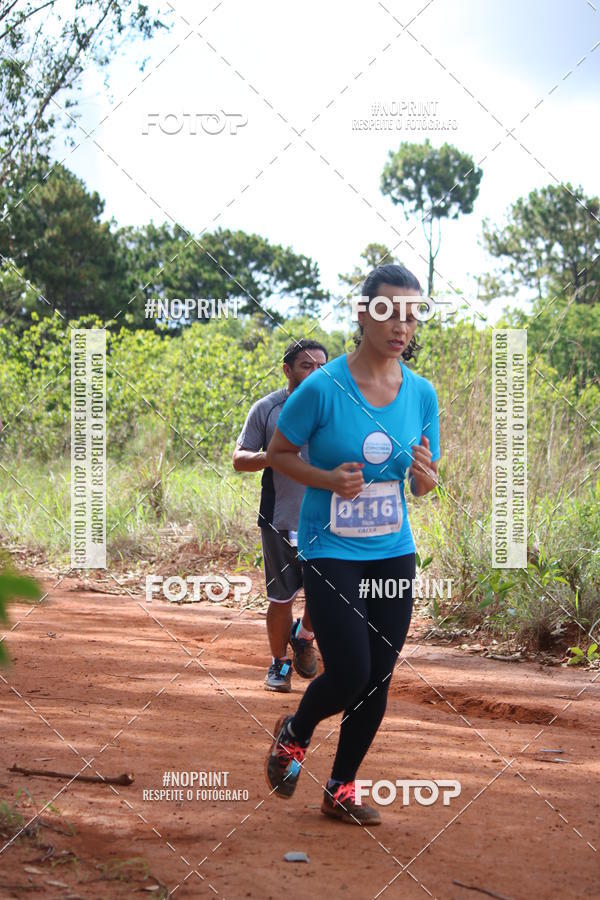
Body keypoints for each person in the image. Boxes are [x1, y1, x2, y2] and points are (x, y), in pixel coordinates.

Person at [264, 265, 441, 825]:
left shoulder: (421, 393)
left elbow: (423, 482)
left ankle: (341, 788)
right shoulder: (322, 386)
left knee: (379, 676)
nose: (401, 324)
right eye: (388, 311)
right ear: (363, 314)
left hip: (393, 549)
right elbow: (279, 453)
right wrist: (327, 479)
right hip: (329, 549)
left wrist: (426, 475)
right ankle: (295, 731)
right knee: (348, 673)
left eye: (411, 314)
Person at [233, 338, 329, 692]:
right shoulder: (268, 409)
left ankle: (303, 636)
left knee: (327, 595)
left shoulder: (337, 408)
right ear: (287, 370)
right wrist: (274, 456)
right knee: (281, 598)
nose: (316, 373)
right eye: (307, 366)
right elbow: (239, 458)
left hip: (329, 521)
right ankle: (279, 664)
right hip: (280, 518)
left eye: (322, 367)